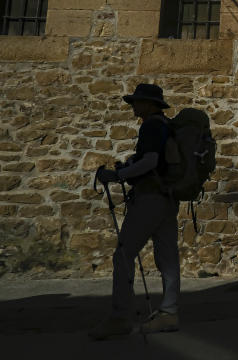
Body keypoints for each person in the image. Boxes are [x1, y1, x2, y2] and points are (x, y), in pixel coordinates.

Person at [89, 83, 181, 340]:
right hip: (167, 198)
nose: (133, 106)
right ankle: (169, 312)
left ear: (150, 104)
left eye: (138, 101)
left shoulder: (151, 126)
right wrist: (131, 165)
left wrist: (117, 175)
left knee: (123, 254)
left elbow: (150, 161)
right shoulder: (165, 125)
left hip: (150, 199)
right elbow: (155, 161)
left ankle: (120, 317)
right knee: (168, 258)